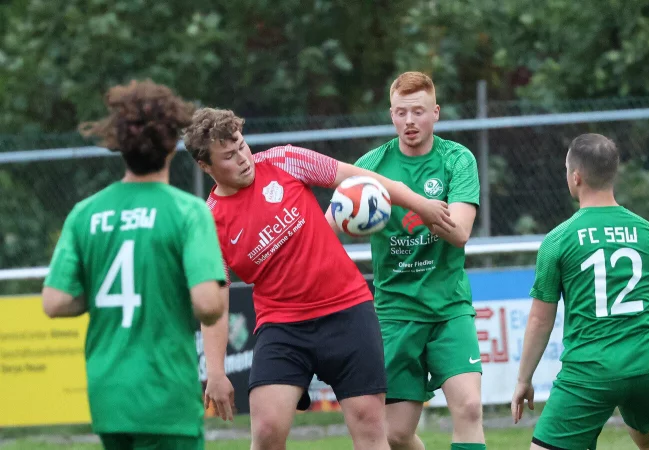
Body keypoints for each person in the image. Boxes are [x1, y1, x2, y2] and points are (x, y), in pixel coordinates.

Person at [182, 107, 456, 450]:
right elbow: (215, 303)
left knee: (373, 431)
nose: (242, 158)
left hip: (348, 312)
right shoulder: (210, 222)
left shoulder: (285, 160)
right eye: (228, 156)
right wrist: (217, 372)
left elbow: (360, 178)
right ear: (205, 166)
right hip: (282, 328)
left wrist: (420, 204)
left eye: (241, 145)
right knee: (266, 432)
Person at [41, 80, 227, 450]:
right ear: (172, 147)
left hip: (109, 393)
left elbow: (55, 302)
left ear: (119, 145)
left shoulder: (86, 214)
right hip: (165, 394)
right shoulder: (187, 212)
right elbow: (208, 305)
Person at [326, 71, 486, 450]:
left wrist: (420, 209)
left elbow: (460, 231)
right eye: (401, 113)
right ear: (391, 115)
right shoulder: (372, 165)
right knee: (396, 434)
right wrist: (348, 219)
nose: (409, 121)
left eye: (418, 112)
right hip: (395, 311)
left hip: (449, 308)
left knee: (470, 407)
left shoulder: (457, 160)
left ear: (436, 113)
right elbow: (330, 224)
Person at [511, 133, 649, 450]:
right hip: (648, 361)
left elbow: (539, 321)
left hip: (592, 369)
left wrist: (523, 380)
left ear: (575, 177)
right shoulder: (648, 233)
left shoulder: (559, 240)